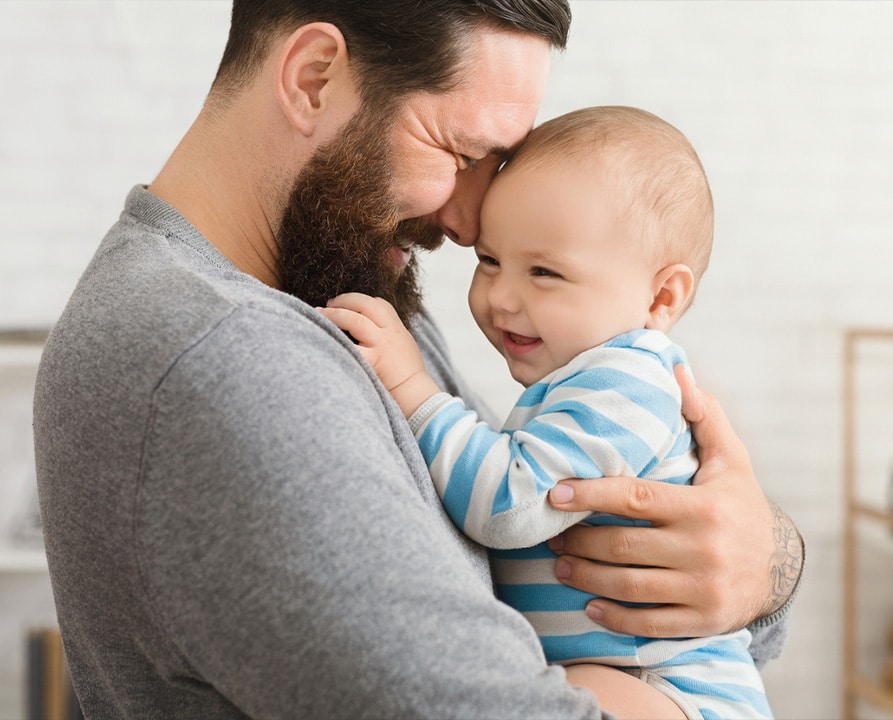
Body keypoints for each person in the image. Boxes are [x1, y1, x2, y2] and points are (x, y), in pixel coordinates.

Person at [31, 2, 802, 718]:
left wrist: (764, 562)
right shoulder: (224, 358)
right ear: (314, 79)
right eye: (462, 151)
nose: (469, 223)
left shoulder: (339, 286)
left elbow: (542, 524)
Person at [322, 105, 773, 719]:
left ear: (661, 297)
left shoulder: (628, 380)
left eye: (544, 271)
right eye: (489, 261)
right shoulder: (581, 381)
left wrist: (411, 387)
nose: (502, 296)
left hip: (671, 689)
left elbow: (510, 503)